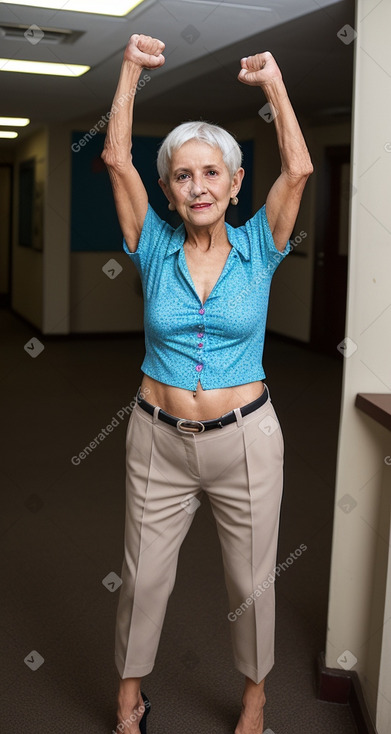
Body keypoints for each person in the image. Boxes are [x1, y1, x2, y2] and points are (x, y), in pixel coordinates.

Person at [102, 33, 313, 734]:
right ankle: (129, 693)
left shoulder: (260, 245)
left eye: (210, 173)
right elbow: (113, 157)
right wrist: (130, 70)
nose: (197, 186)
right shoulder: (153, 244)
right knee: (142, 576)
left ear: (233, 183)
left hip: (244, 441)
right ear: (167, 190)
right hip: (155, 438)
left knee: (248, 583)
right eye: (182, 176)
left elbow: (300, 167)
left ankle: (253, 698)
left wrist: (275, 86)